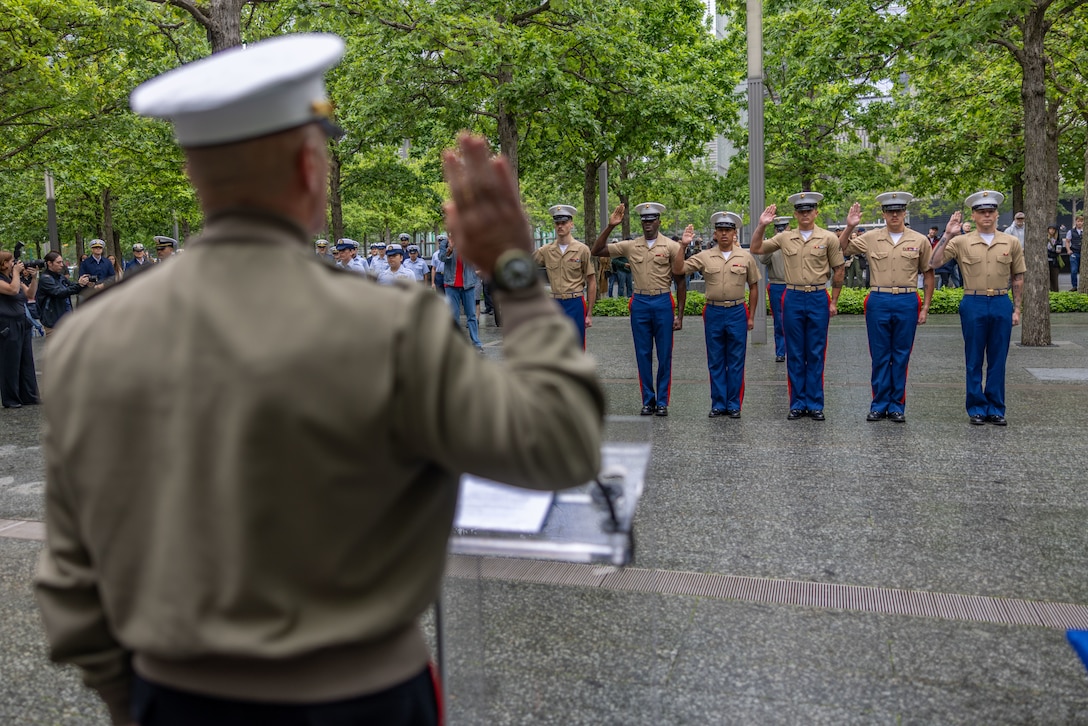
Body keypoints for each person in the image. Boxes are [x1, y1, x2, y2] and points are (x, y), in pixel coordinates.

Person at [34, 34, 603, 726]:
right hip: (365, 699)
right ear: (310, 167)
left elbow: (71, 578)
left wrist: (142, 700)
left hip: (174, 697)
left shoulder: (89, 337)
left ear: (194, 172)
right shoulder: (390, 327)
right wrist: (515, 272)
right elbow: (560, 441)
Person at [929, 190, 1026, 425]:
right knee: (973, 358)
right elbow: (934, 262)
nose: (987, 216)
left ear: (997, 214)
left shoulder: (1010, 241)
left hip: (1001, 301)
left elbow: (1018, 278)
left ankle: (996, 408)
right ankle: (976, 408)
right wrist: (947, 235)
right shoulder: (962, 241)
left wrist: (1017, 308)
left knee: (998, 358)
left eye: (990, 211)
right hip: (973, 301)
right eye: (981, 212)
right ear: (973, 215)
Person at [840, 192, 934, 423]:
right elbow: (841, 248)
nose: (894, 214)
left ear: (904, 213)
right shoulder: (871, 237)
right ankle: (879, 404)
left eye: (899, 210)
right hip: (879, 299)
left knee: (901, 355)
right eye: (890, 211)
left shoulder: (919, 240)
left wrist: (926, 308)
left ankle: (896, 406)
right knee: (880, 355)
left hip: (907, 299)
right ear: (883, 214)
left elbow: (929, 274)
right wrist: (850, 226)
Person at [750, 193, 845, 421]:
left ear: (816, 213)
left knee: (815, 352)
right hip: (792, 295)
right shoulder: (785, 238)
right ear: (795, 214)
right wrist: (762, 225)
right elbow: (755, 248)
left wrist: (834, 300)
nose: (805, 214)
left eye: (809, 210)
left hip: (817, 296)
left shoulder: (828, 238)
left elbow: (839, 269)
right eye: (801, 211)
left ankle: (815, 404)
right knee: (795, 352)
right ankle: (797, 403)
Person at [592, 202, 686, 416]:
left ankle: (662, 401)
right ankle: (648, 400)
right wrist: (611, 226)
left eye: (652, 220)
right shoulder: (631, 246)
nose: (648, 224)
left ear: (659, 221)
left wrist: (679, 315)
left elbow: (680, 282)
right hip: (641, 303)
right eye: (644, 221)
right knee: (642, 353)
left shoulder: (672, 247)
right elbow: (596, 250)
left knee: (664, 354)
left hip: (662, 301)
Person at [675, 212, 760, 418]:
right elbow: (678, 269)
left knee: (736, 359)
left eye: (728, 230)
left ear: (734, 233)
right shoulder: (705, 256)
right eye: (720, 230)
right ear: (715, 233)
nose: (724, 234)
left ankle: (734, 404)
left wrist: (751, 317)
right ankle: (718, 403)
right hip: (713, 311)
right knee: (715, 359)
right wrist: (683, 246)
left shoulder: (745, 257)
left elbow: (754, 286)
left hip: (737, 310)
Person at [533, 204, 595, 347]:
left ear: (571, 224)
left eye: (564, 223)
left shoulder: (582, 249)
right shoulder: (546, 251)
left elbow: (591, 280)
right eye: (557, 223)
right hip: (555, 303)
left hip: (575, 302)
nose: (560, 226)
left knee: (577, 345)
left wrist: (589, 313)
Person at [0, 251, 40, 407]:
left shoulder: (13, 278)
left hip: (22, 322)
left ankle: (29, 395)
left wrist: (34, 278)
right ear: (3, 264)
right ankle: (11, 399)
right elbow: (12, 290)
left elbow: (30, 294)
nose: (14, 264)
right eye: (11, 261)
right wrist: (16, 273)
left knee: (26, 360)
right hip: (7, 325)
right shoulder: (6, 280)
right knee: (11, 362)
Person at [438, 231, 483, 351]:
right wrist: (450, 249)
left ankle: (476, 343)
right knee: (454, 316)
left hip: (468, 284)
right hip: (451, 284)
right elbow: (441, 258)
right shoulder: (444, 243)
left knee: (472, 315)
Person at [758, 216, 791, 362]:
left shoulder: (795, 241)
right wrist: (775, 243)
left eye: (784, 228)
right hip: (777, 285)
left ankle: (794, 351)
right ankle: (780, 352)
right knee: (779, 320)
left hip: (793, 285)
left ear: (789, 228)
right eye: (779, 228)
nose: (781, 231)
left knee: (795, 320)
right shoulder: (771, 244)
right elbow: (763, 259)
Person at [37, 252, 90, 335]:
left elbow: (72, 286)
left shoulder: (60, 276)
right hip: (54, 322)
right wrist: (79, 285)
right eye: (58, 262)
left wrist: (86, 285)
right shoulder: (45, 279)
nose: (62, 265)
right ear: (49, 263)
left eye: (62, 262)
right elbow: (59, 292)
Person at [1046, 223, 1068, 292]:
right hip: (1046, 260)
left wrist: (1055, 251)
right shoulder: (1045, 238)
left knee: (1054, 279)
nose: (1052, 231)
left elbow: (1058, 251)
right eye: (1050, 229)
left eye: (1053, 229)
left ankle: (1055, 292)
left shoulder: (1058, 240)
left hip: (1054, 261)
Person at [1067, 214, 1083, 290]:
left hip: (1083, 253)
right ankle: (1074, 286)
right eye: (1078, 221)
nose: (1079, 223)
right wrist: (1068, 250)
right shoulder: (1071, 231)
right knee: (1074, 270)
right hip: (1074, 252)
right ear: (1076, 222)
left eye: (1081, 221)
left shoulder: (1085, 231)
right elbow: (1067, 241)